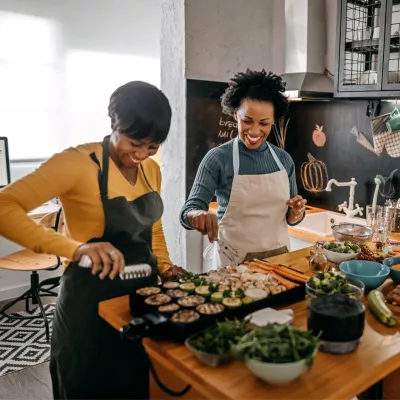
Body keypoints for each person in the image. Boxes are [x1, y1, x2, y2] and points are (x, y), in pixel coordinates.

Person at [0, 81, 182, 399]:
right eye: (135, 142)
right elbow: (4, 207)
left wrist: (165, 267)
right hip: (88, 307)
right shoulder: (77, 163)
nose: (141, 154)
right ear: (114, 123)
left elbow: (152, 228)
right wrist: (76, 248)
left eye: (152, 146)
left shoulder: (151, 170)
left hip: (139, 301)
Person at [180, 69, 307, 270]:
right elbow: (187, 211)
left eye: (264, 123)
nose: (255, 131)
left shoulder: (284, 160)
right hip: (233, 266)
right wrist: (197, 215)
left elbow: (290, 220)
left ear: (273, 120)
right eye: (247, 121)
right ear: (235, 115)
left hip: (279, 264)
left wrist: (296, 211)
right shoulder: (218, 158)